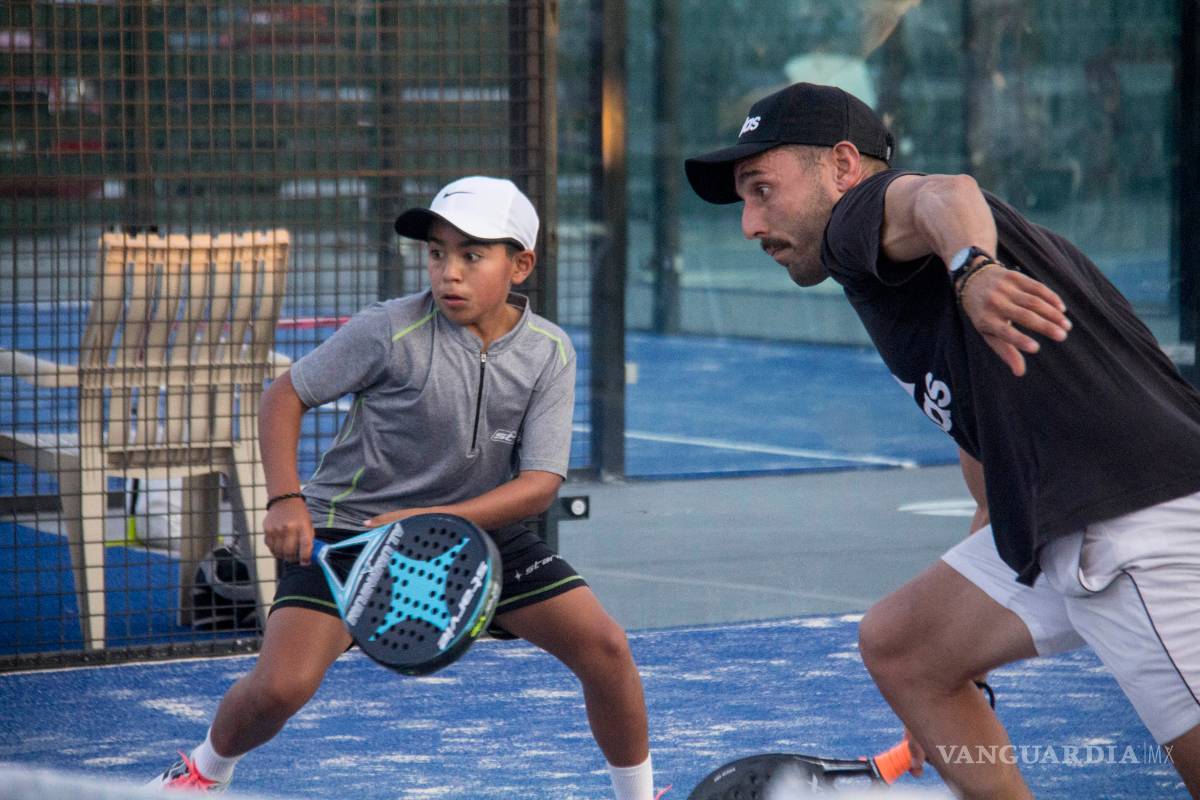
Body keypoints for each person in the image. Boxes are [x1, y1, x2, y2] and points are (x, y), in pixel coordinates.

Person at [684, 82, 1200, 798]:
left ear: (843, 166)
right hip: (1066, 512)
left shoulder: (859, 217)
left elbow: (944, 193)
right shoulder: (911, 284)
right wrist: (968, 664)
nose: (749, 223)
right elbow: (988, 476)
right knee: (907, 647)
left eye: (762, 189)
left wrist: (973, 270)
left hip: (1133, 520)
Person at [151, 176, 663, 800]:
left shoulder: (549, 352)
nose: (449, 272)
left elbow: (537, 486)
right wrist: (285, 499)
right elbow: (284, 395)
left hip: (476, 531)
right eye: (437, 253)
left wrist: (435, 518)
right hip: (351, 532)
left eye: (472, 255)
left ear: (520, 265)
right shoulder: (386, 329)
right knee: (282, 687)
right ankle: (202, 771)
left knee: (605, 647)